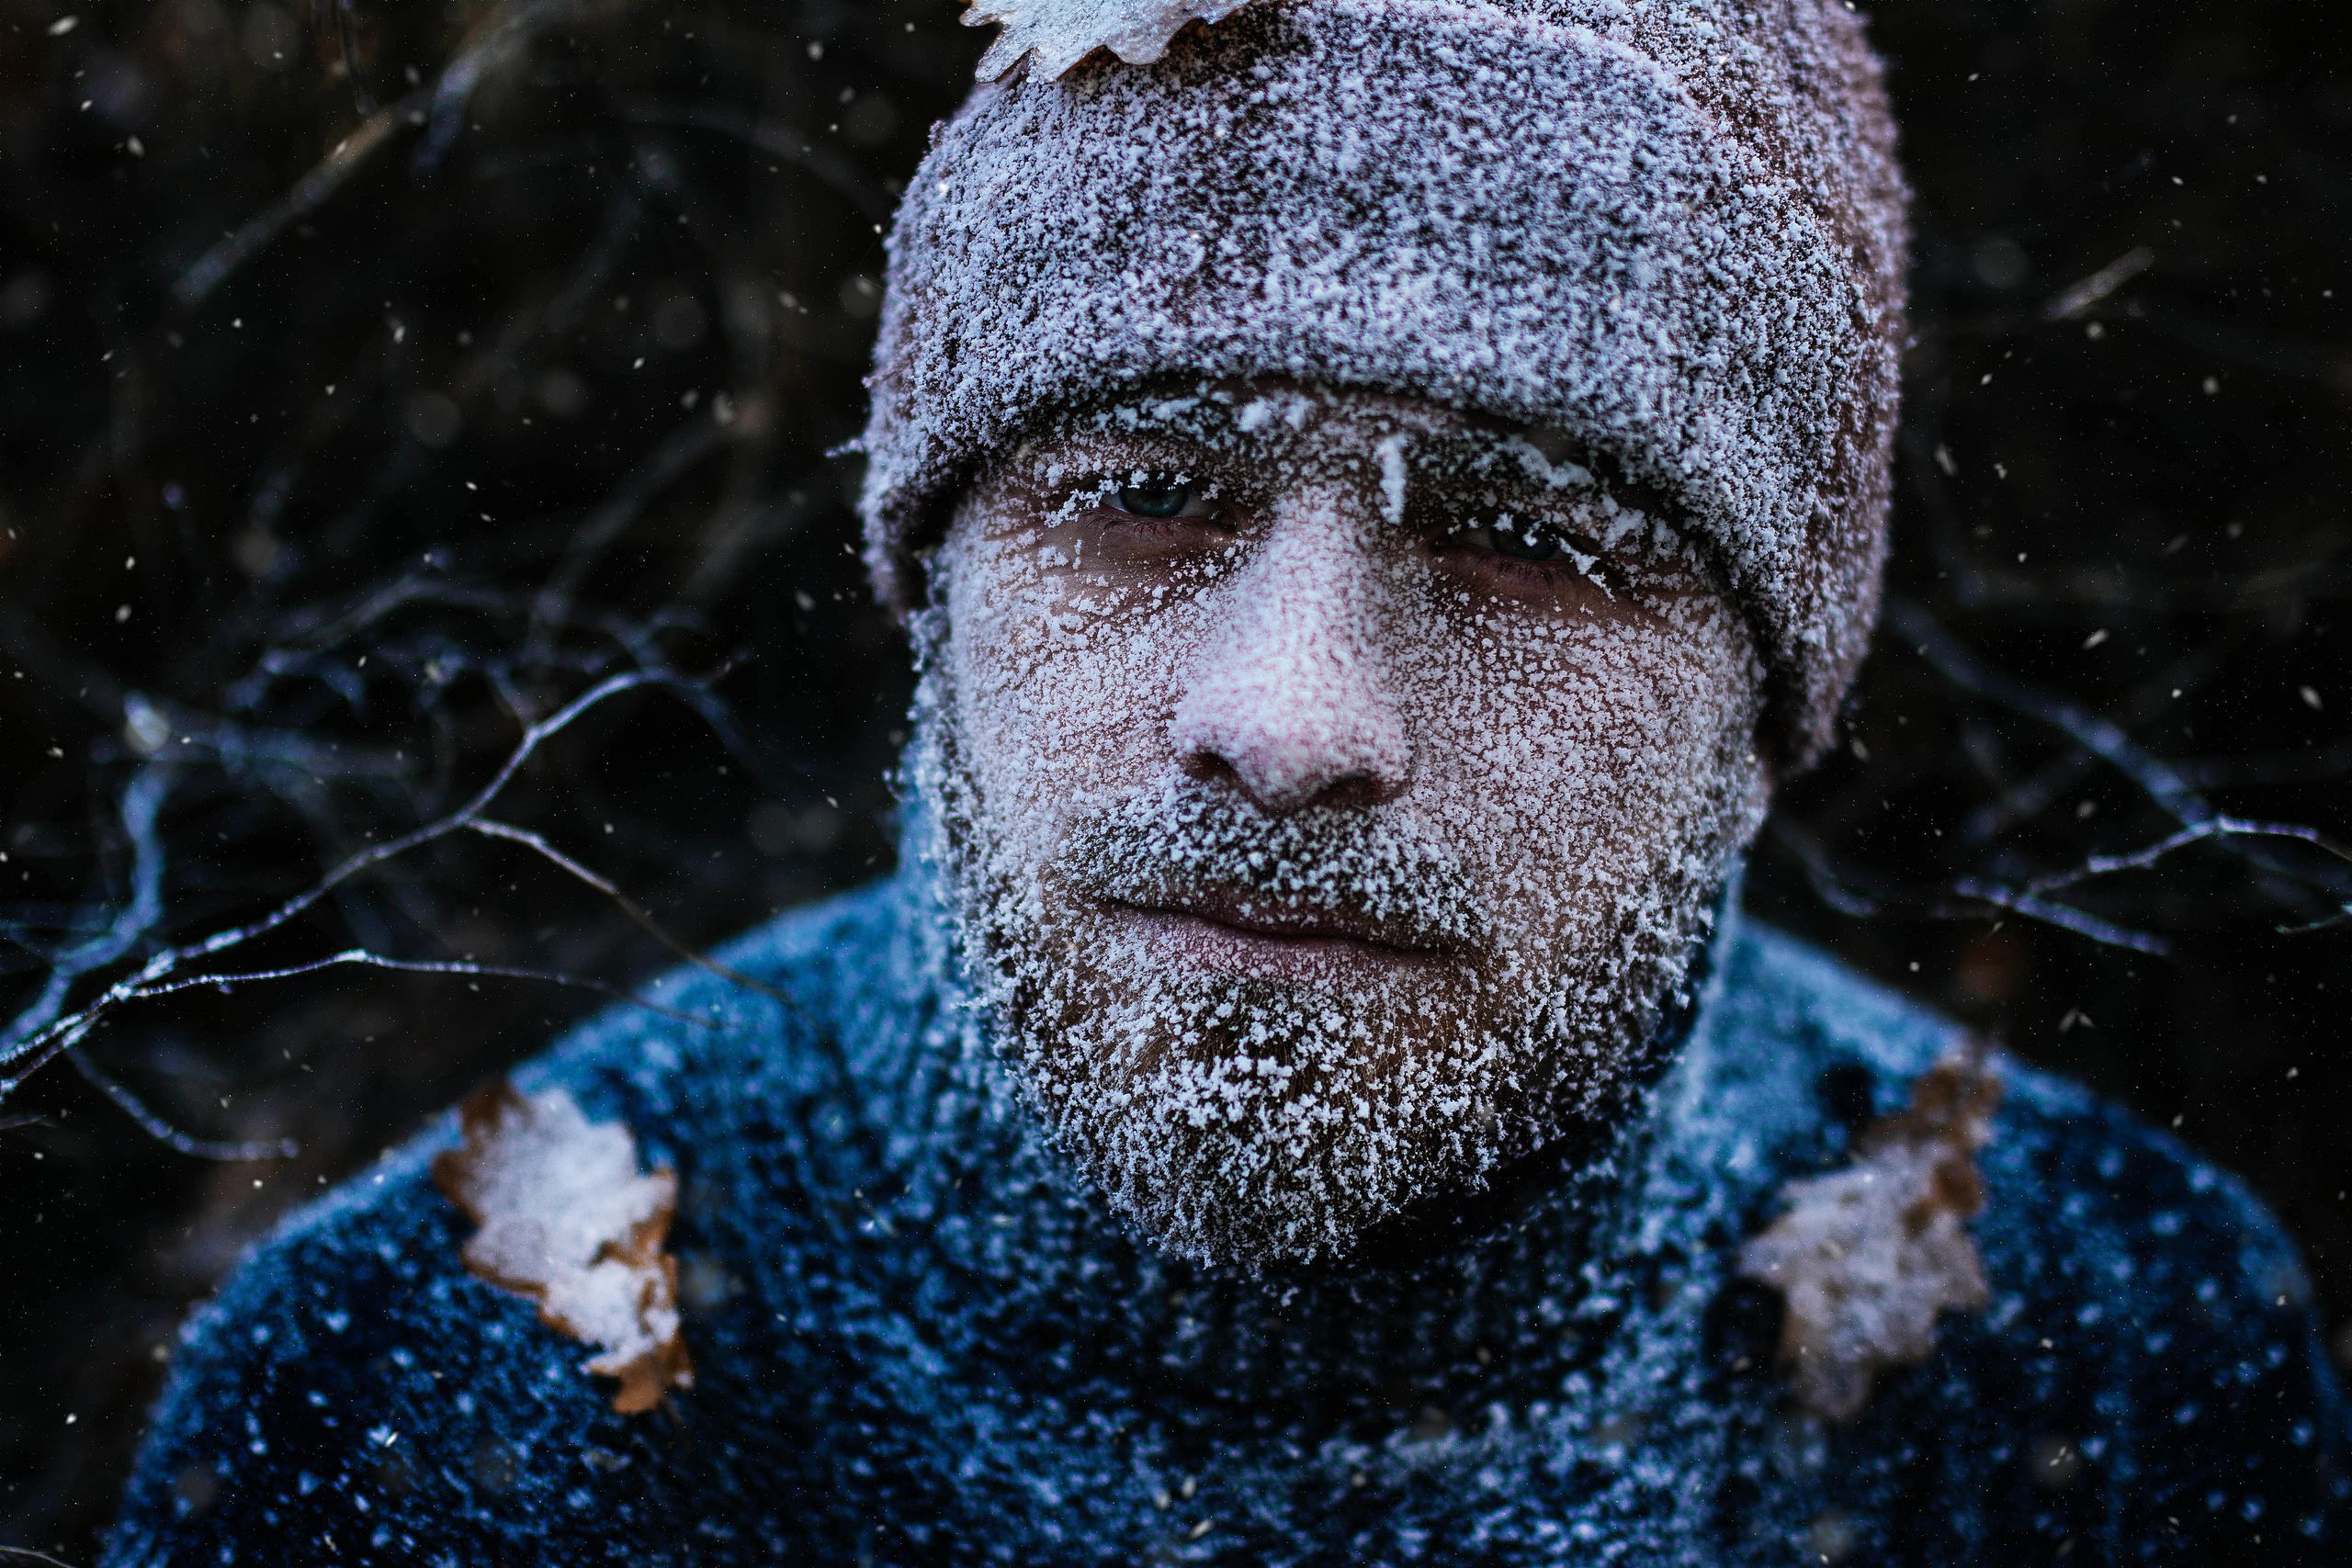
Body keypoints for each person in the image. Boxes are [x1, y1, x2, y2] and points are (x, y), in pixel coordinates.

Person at [105, 0, 2349, 1562]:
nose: (1286, 720)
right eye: (1148, 488)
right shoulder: (424, 1394)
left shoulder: (2100, 1339)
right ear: (936, 582)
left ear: (1766, 710)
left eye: (1526, 534)